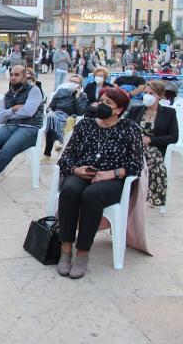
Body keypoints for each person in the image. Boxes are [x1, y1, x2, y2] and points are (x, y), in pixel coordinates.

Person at [55, 87, 143, 279]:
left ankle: (83, 253)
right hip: (82, 174)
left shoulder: (130, 129)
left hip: (112, 180)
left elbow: (136, 165)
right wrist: (76, 170)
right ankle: (66, 249)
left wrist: (111, 173)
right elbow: (66, 157)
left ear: (119, 109)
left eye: (108, 103)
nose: (101, 105)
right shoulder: (85, 125)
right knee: (69, 190)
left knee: (92, 195)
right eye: (101, 101)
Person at [126, 81, 179, 208]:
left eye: (151, 93)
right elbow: (124, 128)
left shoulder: (169, 113)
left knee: (153, 164)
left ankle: (151, 198)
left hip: (154, 149)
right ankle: (130, 195)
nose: (147, 96)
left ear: (159, 96)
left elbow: (173, 137)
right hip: (134, 146)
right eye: (145, 93)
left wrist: (151, 140)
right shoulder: (135, 110)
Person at [42, 75, 87, 162]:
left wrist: (77, 96)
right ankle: (57, 141)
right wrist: (50, 111)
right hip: (55, 114)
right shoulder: (61, 91)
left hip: (68, 117)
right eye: (72, 81)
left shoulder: (82, 96)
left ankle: (47, 154)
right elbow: (50, 106)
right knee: (52, 117)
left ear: (80, 85)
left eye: (76, 82)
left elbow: (80, 112)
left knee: (51, 121)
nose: (73, 83)